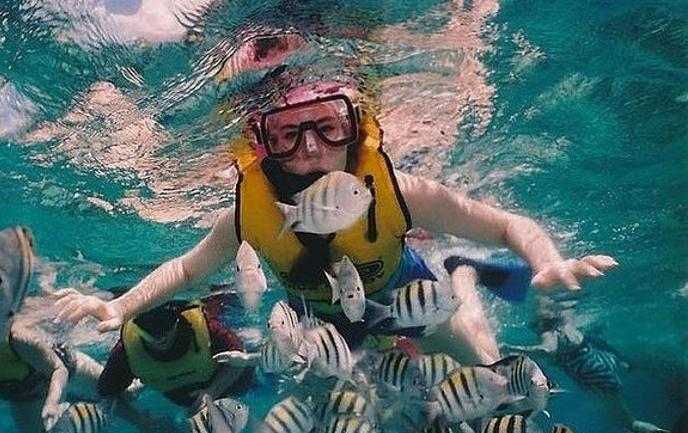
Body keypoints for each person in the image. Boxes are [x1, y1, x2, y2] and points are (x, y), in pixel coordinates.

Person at [54, 79, 617, 365]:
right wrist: (118, 307)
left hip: (404, 292)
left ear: (356, 127)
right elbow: (187, 267)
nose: (310, 149)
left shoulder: (403, 194)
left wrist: (545, 261)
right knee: (335, 398)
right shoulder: (247, 215)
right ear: (262, 146)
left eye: (327, 125)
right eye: (286, 134)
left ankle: (461, 279)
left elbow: (505, 225)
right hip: (321, 320)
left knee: (486, 364)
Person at [97, 296, 252, 408]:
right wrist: (143, 422)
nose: (159, 332)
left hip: (231, 385)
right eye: (147, 322)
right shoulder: (127, 351)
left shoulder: (203, 326)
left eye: (165, 319)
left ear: (177, 315)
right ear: (135, 321)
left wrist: (212, 392)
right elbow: (107, 391)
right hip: (189, 406)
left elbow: (239, 354)